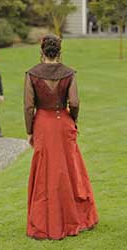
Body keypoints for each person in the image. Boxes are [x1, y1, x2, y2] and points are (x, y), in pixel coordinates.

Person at [23, 34, 99, 240]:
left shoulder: (32, 74)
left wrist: (30, 130)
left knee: (46, 172)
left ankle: (47, 221)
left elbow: (29, 106)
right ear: (59, 51)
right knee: (69, 170)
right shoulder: (69, 73)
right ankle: (76, 218)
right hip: (63, 124)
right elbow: (74, 102)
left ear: (42, 51)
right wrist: (72, 120)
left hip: (43, 126)